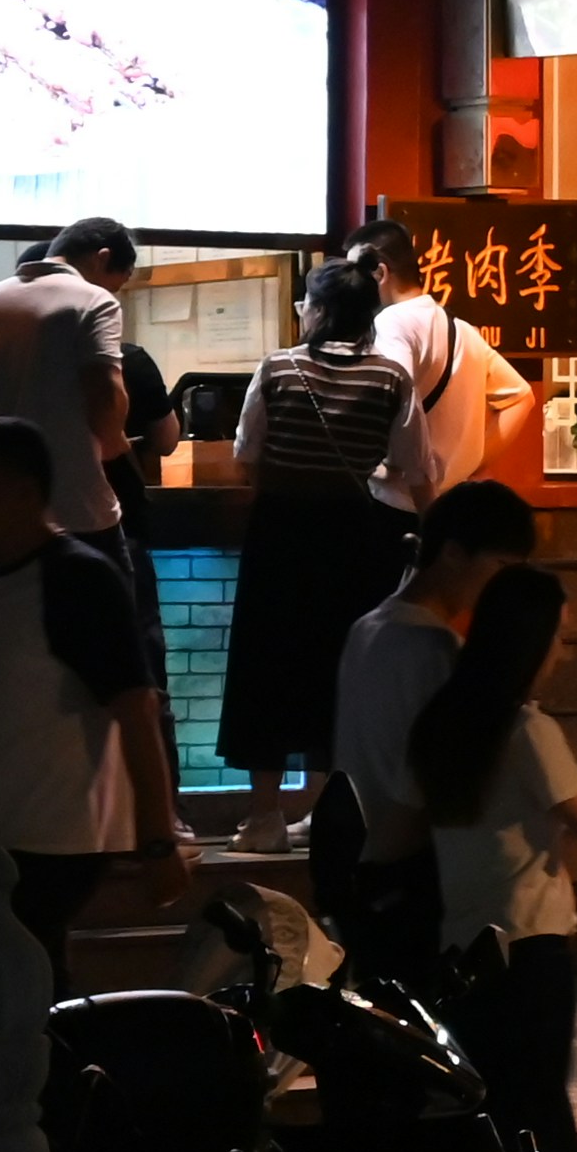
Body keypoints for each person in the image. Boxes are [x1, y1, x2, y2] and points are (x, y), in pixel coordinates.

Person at [402, 565, 577, 1152]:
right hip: (531, 948)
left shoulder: (442, 721)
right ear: (529, 639)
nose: (564, 650)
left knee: (491, 1111)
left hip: (462, 948)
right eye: (559, 635)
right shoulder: (527, 729)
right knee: (544, 1108)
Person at [0, 418, 178, 968]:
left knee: (17, 988)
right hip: (0, 840)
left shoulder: (75, 580)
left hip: (53, 839)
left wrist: (158, 841)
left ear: (24, 491)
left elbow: (136, 708)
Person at [211, 260, 419, 856]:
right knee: (342, 672)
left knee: (266, 668)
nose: (303, 310)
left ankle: (264, 818)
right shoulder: (391, 378)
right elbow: (413, 465)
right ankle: (328, 815)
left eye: (307, 301)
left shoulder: (278, 368)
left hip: (281, 533)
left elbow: (247, 455)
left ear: (321, 311)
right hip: (358, 539)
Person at [326, 482, 538, 983]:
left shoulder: (366, 629)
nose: (504, 589)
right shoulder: (439, 654)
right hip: (417, 873)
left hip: (360, 864)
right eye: (501, 569)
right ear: (452, 553)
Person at [0, 218, 145, 539]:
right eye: (114, 284)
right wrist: (114, 447)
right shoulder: (93, 301)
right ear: (103, 257)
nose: (109, 292)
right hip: (75, 514)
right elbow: (106, 402)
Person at [351, 216, 547, 511]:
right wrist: (472, 462)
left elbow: (393, 403)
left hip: (397, 502)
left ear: (380, 273)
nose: (349, 284)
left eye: (354, 274)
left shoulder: (392, 322)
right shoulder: (464, 331)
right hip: (448, 502)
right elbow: (522, 396)